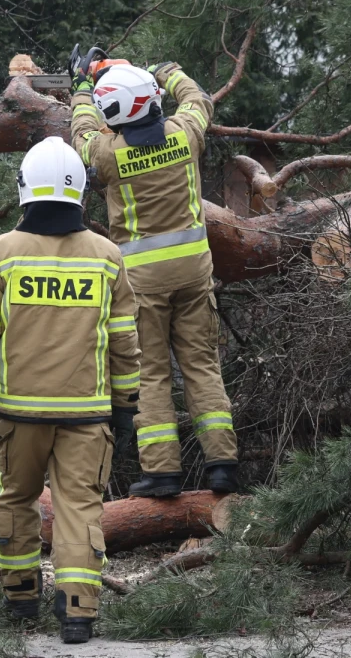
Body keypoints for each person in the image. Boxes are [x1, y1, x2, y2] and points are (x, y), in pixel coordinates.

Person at [0, 136, 142, 645]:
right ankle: (78, 614)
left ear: (24, 190)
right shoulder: (106, 256)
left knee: (15, 498)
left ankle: (20, 599)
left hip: (19, 416)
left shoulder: (4, 252)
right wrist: (126, 407)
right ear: (78, 191)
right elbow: (125, 343)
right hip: (87, 415)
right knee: (81, 508)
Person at [70, 58, 239, 498]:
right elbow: (198, 99)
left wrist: (82, 84)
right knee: (202, 365)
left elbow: (82, 133)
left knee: (151, 375)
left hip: (142, 282)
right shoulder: (185, 133)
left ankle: (163, 473)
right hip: (194, 273)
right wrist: (165, 69)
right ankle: (222, 465)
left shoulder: (108, 154)